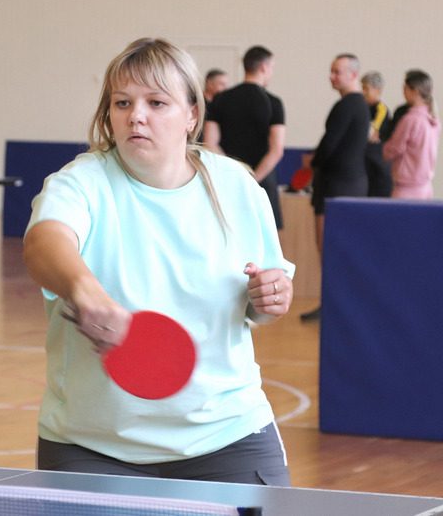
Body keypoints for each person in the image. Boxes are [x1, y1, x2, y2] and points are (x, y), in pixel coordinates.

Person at [23, 38, 294, 485]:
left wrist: (271, 294)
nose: (137, 115)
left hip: (227, 436)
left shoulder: (237, 186)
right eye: (122, 102)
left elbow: (264, 299)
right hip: (92, 447)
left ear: (192, 114)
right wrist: (85, 291)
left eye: (156, 102)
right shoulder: (81, 182)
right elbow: (43, 243)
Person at [300, 54, 370, 322]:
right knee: (338, 249)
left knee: (329, 248)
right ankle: (337, 305)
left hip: (337, 185)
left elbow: (330, 145)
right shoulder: (359, 105)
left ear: (353, 75)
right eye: (331, 71)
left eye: (337, 72)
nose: (331, 76)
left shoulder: (346, 106)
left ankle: (333, 306)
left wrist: (312, 161)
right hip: (350, 183)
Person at [203, 46, 285, 228]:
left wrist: (236, 176)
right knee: (266, 243)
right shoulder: (274, 102)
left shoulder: (221, 99)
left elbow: (210, 143)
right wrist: (253, 179)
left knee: (229, 237)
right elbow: (276, 150)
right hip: (263, 184)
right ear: (264, 67)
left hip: (228, 183)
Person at [383, 69, 440, 199]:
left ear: (414, 91)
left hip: (407, 188)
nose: (403, 92)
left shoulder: (410, 119)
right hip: (425, 186)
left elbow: (395, 147)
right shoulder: (433, 119)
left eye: (405, 88)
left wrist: (383, 149)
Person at [360, 71, 393, 197]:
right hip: (364, 165)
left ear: (378, 90)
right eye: (362, 87)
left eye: (366, 88)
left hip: (378, 168)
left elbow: (371, 134)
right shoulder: (361, 107)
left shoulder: (381, 110)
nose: (363, 92)